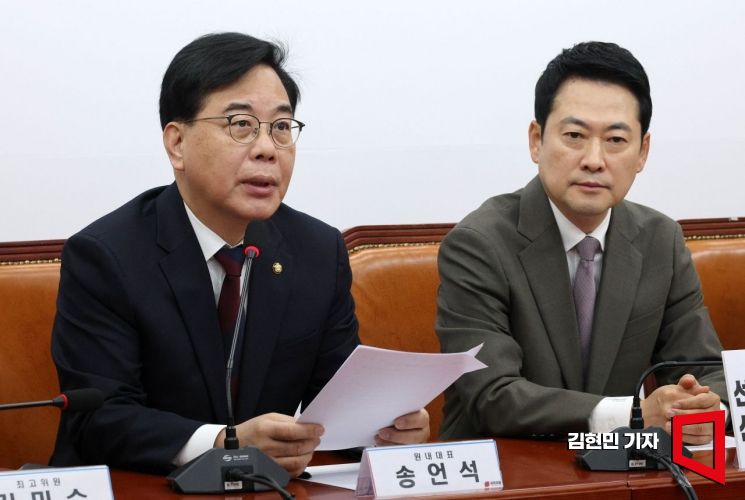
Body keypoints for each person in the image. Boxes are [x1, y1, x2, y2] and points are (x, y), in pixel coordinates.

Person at [50, 32, 428, 476]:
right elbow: (100, 418)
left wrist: (382, 429)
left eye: (281, 127)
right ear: (177, 144)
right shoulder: (107, 257)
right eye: (241, 124)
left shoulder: (316, 251)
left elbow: (337, 404)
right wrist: (224, 443)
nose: (267, 148)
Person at [436, 41, 726, 444]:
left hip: (621, 469)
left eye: (616, 140)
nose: (594, 159)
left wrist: (703, 407)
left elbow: (706, 371)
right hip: (509, 466)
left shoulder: (661, 240)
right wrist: (634, 414)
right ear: (536, 140)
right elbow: (493, 396)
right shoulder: (478, 245)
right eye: (575, 135)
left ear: (642, 152)